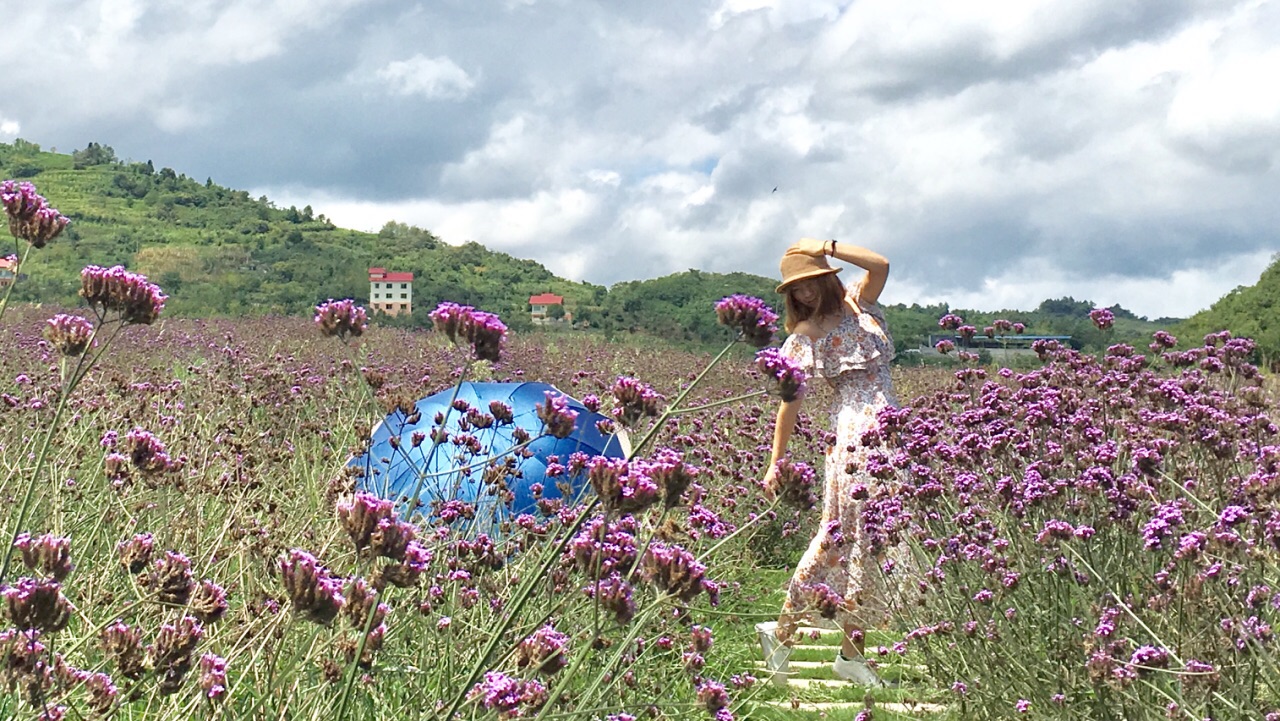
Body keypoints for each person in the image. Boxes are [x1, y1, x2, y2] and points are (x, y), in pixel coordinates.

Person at [756, 237, 898, 687]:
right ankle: (787, 631)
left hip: (892, 435)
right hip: (854, 436)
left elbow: (881, 263)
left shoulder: (861, 303)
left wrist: (829, 245)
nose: (803, 294)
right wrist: (776, 460)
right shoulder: (805, 335)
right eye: (794, 289)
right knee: (847, 538)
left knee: (873, 542)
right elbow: (788, 403)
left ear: (824, 276)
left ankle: (846, 652)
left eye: (808, 282)